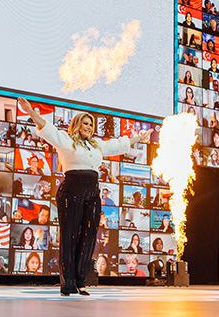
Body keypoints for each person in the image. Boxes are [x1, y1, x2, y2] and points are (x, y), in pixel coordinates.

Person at [19, 96, 152, 296]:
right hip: (70, 192)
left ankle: (81, 281)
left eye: (91, 124)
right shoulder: (65, 140)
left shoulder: (96, 145)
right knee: (69, 237)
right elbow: (46, 127)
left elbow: (117, 144)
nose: (89, 127)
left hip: (92, 194)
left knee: (89, 237)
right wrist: (30, 111)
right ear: (77, 124)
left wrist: (139, 138)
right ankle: (68, 284)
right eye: (85, 123)